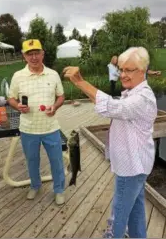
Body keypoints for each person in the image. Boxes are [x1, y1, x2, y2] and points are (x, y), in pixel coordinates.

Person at [62, 47, 157, 238]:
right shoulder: (133, 93)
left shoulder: (142, 98)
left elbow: (113, 107)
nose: (122, 75)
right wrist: (85, 87)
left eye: (128, 70)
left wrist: (80, 82)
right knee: (136, 211)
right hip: (138, 165)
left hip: (130, 167)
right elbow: (108, 107)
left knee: (118, 215)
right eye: (121, 69)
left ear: (142, 71)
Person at [8, 39, 65, 205]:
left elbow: (61, 97)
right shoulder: (18, 76)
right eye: (29, 54)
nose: (34, 57)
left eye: (36, 53)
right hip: (28, 129)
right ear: (24, 56)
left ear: (42, 54)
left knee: (57, 161)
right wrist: (18, 106)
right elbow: (11, 98)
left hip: (51, 127)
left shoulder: (53, 74)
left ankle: (59, 189)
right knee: (32, 160)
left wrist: (54, 106)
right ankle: (35, 185)